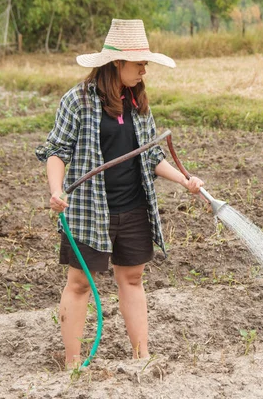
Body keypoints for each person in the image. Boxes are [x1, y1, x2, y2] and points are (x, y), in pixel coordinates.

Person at [36, 19, 203, 369]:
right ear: (117, 63)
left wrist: (185, 180)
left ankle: (141, 358)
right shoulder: (78, 100)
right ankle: (73, 364)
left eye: (146, 63)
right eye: (139, 63)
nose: (144, 70)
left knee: (132, 277)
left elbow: (153, 155)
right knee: (80, 282)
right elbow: (56, 151)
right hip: (88, 210)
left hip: (132, 207)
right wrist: (55, 190)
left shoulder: (137, 101)